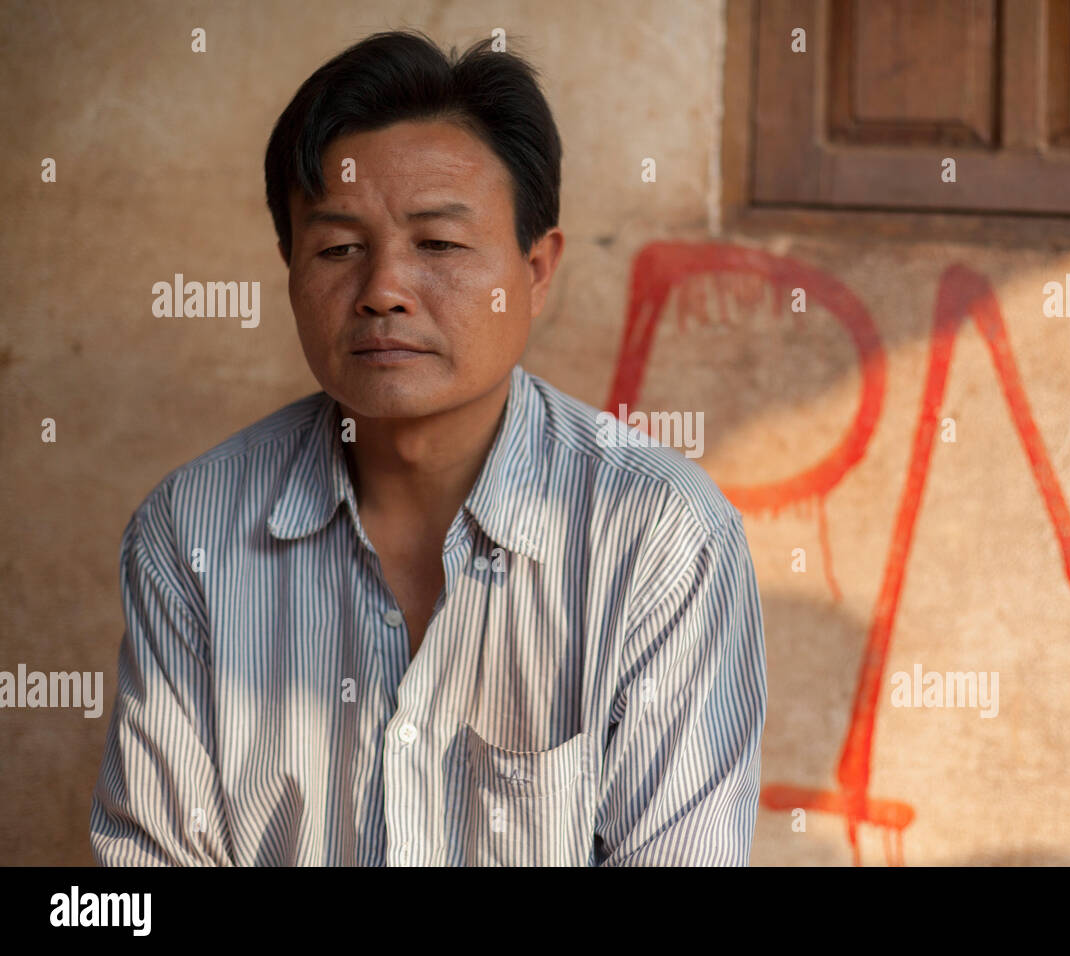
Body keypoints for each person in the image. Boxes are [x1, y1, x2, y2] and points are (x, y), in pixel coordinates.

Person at [90, 29, 767, 866]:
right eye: (338, 248)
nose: (382, 291)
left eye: (439, 245)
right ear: (290, 269)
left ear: (537, 269)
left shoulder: (661, 536)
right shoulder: (192, 532)